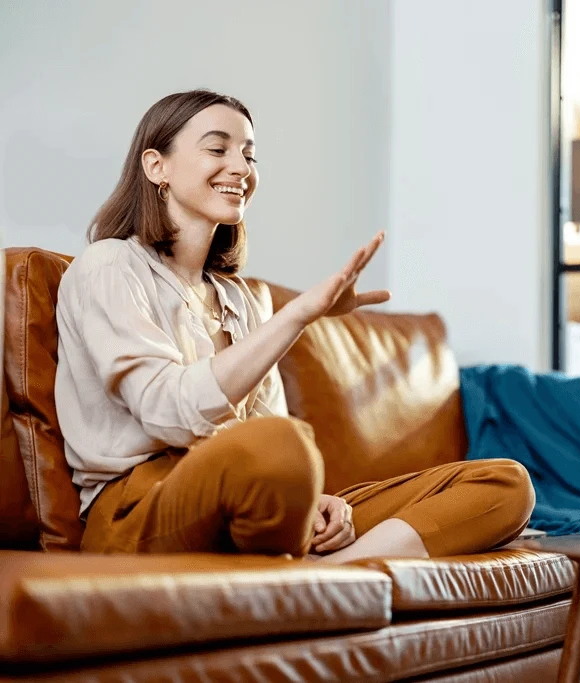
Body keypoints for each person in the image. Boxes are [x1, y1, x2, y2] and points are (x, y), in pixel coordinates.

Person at [54, 89, 535, 562]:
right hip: (140, 510)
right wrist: (298, 316)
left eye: (249, 154)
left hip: (253, 500)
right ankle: (307, 571)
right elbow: (168, 413)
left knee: (504, 483)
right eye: (218, 149)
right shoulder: (109, 266)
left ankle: (340, 574)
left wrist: (318, 500)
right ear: (156, 166)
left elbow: (270, 431)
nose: (241, 168)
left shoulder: (238, 299)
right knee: (281, 448)